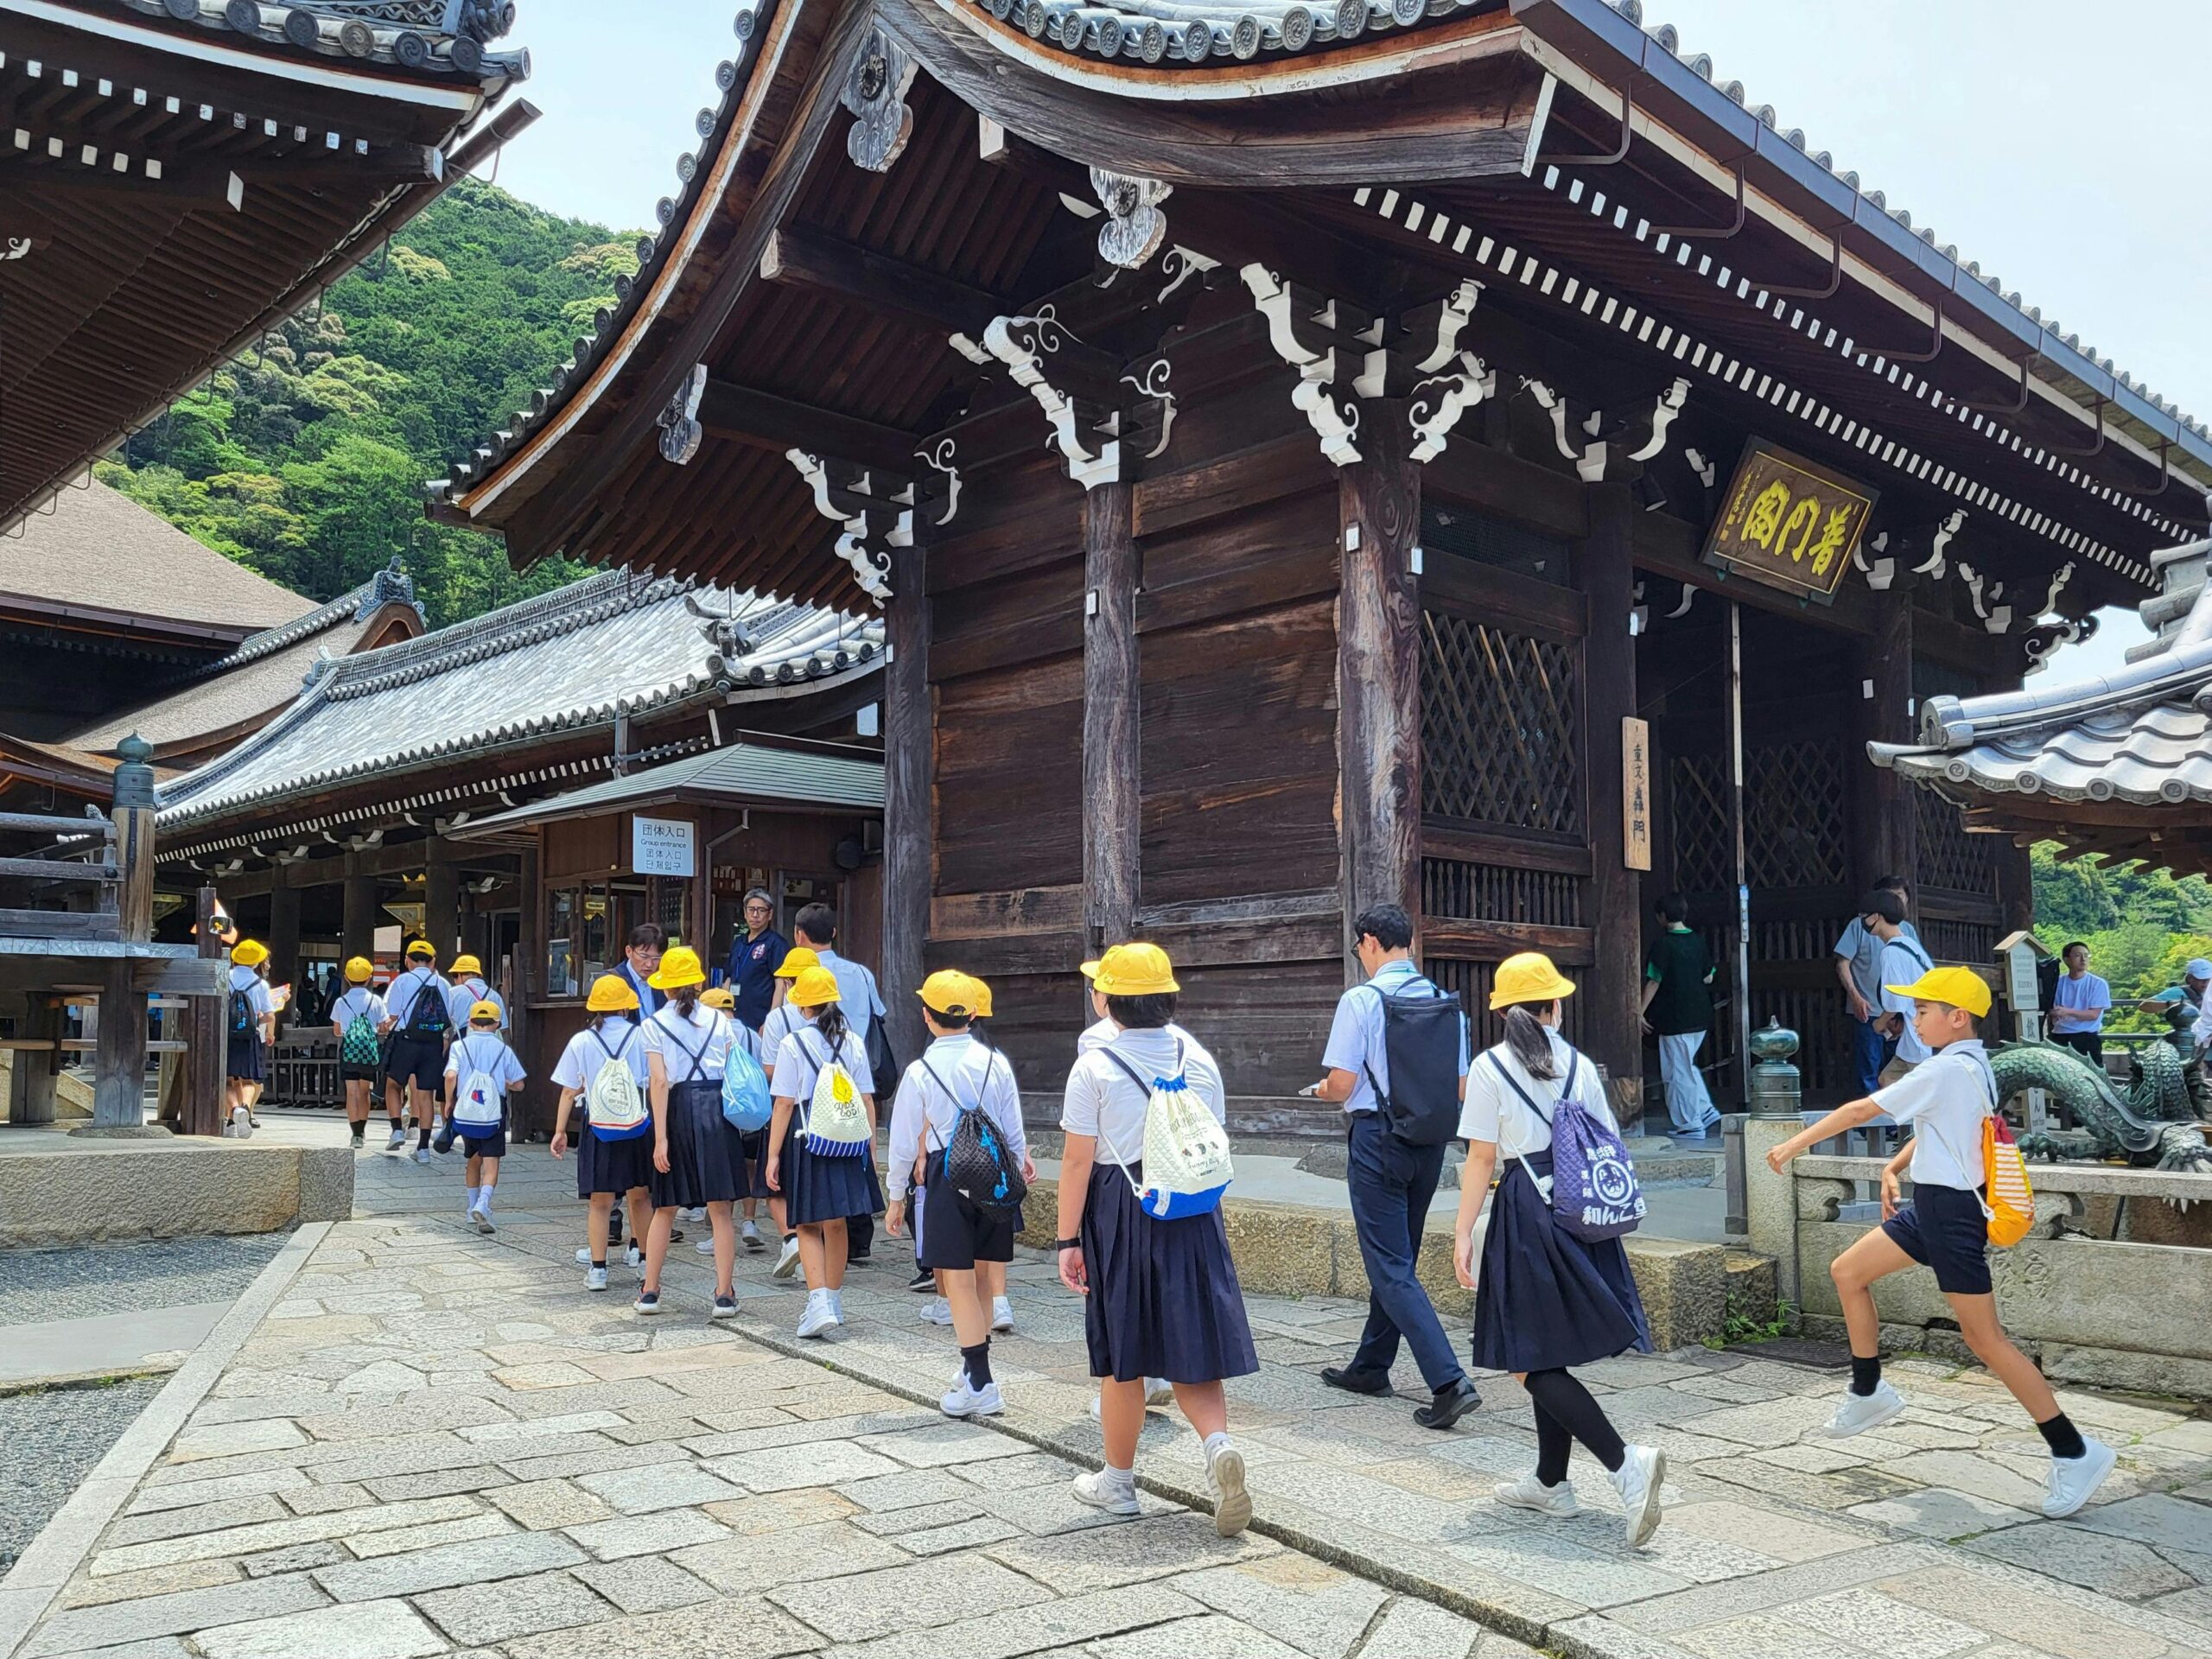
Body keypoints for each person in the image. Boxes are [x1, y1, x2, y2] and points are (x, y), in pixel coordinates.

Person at [1764, 964, 2118, 1519]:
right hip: (1931, 1208)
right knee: (1848, 1272)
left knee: (1986, 1340)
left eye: (1924, 1009)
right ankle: (1868, 1391)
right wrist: (1894, 1166)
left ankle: (2075, 1451)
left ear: (1957, 1017)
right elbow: (1946, 1128)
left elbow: (1861, 1110)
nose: (1915, 1018)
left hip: (1951, 1216)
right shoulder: (1972, 1065)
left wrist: (1792, 1146)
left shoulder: (1946, 1068)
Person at [1451, 952, 1665, 1548]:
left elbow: (1481, 1159)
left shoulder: (1490, 1067)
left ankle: (1625, 1464)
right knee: (1546, 1349)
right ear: (1555, 1006)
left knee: (1527, 1356)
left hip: (1527, 1210)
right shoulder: (1580, 1065)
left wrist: (1462, 1232)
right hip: (1580, 1209)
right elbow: (1608, 1141)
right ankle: (1551, 1481)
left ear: (1503, 1011)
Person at [1057, 943, 1253, 1535]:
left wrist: (1067, 1240)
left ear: (1110, 1001)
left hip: (1123, 1205)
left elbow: (1077, 1162)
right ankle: (1217, 1444)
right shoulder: (1198, 1058)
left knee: (1125, 1354)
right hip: (1190, 1205)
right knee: (1191, 1338)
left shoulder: (1094, 1066)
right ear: (1169, 998)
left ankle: (1118, 1482)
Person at [1311, 903, 1481, 1430]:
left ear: (1368, 941)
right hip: (1428, 1142)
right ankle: (1371, 1366)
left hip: (1377, 1139)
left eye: (1358, 947)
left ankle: (1449, 1382)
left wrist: (1320, 1091)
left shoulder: (1361, 1000)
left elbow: (1342, 1084)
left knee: (1389, 1264)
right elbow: (1460, 1088)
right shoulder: (1445, 1004)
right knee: (1398, 1257)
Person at [885, 971, 1033, 1417]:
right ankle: (972, 1371)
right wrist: (1017, 1165)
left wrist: (896, 1194)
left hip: (947, 1173)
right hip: (993, 1171)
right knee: (983, 1277)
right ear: (971, 1015)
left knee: (958, 1282)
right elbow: (1012, 1125)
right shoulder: (995, 1062)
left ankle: (982, 1381)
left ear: (926, 1016)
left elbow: (904, 1139)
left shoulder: (920, 1071)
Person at [765, 964, 880, 1338]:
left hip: (808, 1136)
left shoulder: (793, 1043)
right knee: (838, 1221)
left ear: (803, 1005)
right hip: (847, 1135)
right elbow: (866, 1097)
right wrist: (870, 1144)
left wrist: (773, 1155)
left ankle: (817, 1303)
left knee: (807, 1223)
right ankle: (833, 1299)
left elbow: (784, 1103)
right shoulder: (854, 1041)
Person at [637, 946, 748, 1319]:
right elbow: (733, 1067)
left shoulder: (654, 1024)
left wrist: (661, 1138)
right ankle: (724, 1294)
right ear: (699, 983)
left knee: (665, 1206)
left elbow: (658, 1081)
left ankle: (650, 1291)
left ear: (665, 986)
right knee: (721, 1208)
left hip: (678, 1108)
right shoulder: (720, 1020)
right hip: (717, 1109)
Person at [792, 903, 887, 1264]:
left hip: (813, 1075)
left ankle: (819, 1237)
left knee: (821, 1152)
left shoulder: (803, 975)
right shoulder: (861, 973)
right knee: (853, 1148)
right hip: (853, 1066)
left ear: (799, 935)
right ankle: (858, 1238)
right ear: (833, 932)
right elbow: (879, 1014)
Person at [550, 975, 656, 1292]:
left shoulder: (582, 1041)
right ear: (626, 1006)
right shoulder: (642, 1036)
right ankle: (644, 1263)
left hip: (598, 1126)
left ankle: (598, 1270)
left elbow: (569, 1090)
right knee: (640, 1196)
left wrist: (560, 1131)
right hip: (636, 1124)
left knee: (600, 1201)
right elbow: (655, 1081)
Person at [757, 946, 821, 1278]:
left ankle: (792, 1238)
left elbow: (770, 1071)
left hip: (791, 1110)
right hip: (828, 1111)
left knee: (774, 1183)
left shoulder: (777, 1019)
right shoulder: (838, 1020)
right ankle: (817, 1256)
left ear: (787, 982)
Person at [1641, 894, 1719, 1138]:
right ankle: (1705, 1110)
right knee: (1686, 1065)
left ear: (1662, 916)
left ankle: (1689, 1123)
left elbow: (1654, 980)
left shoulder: (1663, 945)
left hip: (1675, 1017)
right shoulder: (1698, 941)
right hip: (1700, 1014)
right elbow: (1709, 976)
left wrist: (1639, 1011)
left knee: (1677, 1071)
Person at [442, 1001, 524, 1234]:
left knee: (473, 1158)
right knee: (491, 1161)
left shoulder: (460, 1046)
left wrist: (449, 1101)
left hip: (467, 1109)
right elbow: (519, 1084)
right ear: (497, 1024)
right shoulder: (503, 1049)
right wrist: (505, 1082)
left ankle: (471, 1207)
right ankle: (483, 1203)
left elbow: (451, 1076)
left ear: (470, 1022)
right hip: (493, 1111)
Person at [1834, 875, 1920, 1095]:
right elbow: (1842, 963)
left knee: (1899, 1073)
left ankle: (1892, 1117)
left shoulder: (1906, 932)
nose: (1897, 901)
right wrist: (1855, 996)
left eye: (1900, 896)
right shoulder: (1858, 927)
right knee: (1869, 1071)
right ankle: (1871, 1116)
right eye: (1891, 896)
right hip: (1868, 1009)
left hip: (1900, 1015)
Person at [382, 940, 451, 1163]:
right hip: (433, 1044)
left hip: (406, 1041)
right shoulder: (443, 983)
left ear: (407, 960)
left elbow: (393, 1014)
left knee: (393, 1085)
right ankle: (423, 1149)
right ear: (432, 962)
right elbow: (448, 1016)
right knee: (425, 1094)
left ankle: (397, 1130)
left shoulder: (402, 981)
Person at [1866, 893, 1936, 1081]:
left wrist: (1880, 1023)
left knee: (1916, 1090)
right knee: (1887, 1080)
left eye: (1864, 915)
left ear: (1877, 916)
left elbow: (1896, 1001)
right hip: (1920, 1033)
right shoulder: (1909, 945)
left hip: (1918, 1036)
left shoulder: (1891, 952)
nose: (1862, 920)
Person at [328, 957, 387, 1149]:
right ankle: (362, 1129)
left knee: (352, 1092)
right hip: (369, 1051)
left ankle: (355, 1134)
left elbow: (337, 1031)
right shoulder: (376, 1001)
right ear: (369, 978)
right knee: (364, 1091)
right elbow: (383, 1027)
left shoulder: (341, 1002)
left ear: (346, 978)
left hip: (349, 1050)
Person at [725, 888, 790, 1033]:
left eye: (761, 910)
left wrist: (770, 1022)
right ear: (745, 912)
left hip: (760, 1021)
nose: (755, 915)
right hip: (734, 1019)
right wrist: (724, 1010)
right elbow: (728, 978)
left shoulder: (776, 943)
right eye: (751, 909)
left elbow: (780, 985)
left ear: (770, 914)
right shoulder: (738, 942)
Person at [224, 940, 274, 1125]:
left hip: (226, 1035)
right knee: (248, 1080)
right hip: (250, 1036)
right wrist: (266, 1030)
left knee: (227, 1080)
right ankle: (245, 1107)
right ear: (256, 962)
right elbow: (269, 1015)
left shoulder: (225, 976)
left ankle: (234, 1109)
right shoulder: (261, 984)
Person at [2047, 942, 2111, 1066]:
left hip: (2086, 1037)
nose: (2083, 959)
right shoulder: (2057, 983)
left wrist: (2067, 1011)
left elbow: (2093, 1015)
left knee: (2091, 1074)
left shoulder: (2098, 983)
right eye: (2078, 956)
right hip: (2059, 1035)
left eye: (2086, 956)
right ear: (2067, 960)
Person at [614, 924, 666, 1020]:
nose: (649, 964)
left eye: (656, 958)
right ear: (629, 951)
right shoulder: (613, 981)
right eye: (644, 956)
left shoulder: (663, 982)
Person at [445, 953, 506, 1031]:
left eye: (454, 975)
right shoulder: (495, 996)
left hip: (462, 1037)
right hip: (490, 1037)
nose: (455, 980)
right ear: (479, 975)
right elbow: (503, 1028)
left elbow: (444, 1020)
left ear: (460, 975)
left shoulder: (452, 993)